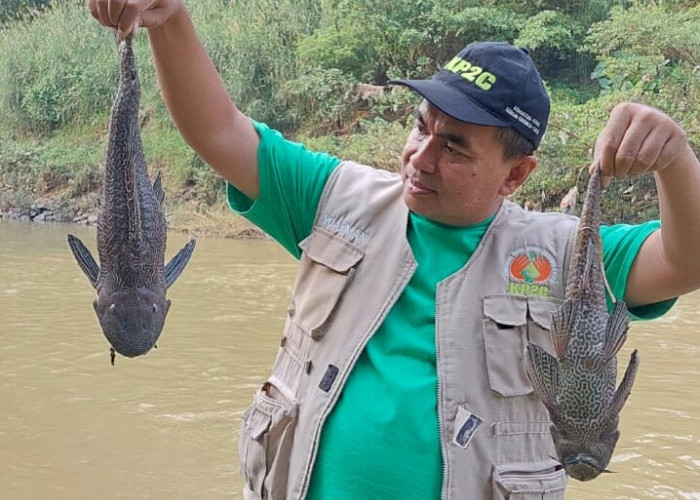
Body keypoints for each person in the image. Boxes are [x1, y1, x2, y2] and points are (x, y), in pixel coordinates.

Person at [89, 1, 700, 499]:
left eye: (454, 147)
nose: (419, 157)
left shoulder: (568, 256)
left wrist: (674, 162)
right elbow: (219, 130)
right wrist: (168, 18)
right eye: (419, 126)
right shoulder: (336, 197)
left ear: (515, 175)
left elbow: (686, 261)